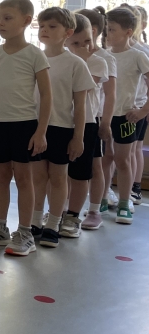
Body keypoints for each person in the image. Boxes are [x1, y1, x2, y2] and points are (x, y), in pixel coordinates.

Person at [0, 0, 51, 257]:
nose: (0, 23)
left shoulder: (35, 55)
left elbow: (47, 96)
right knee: (1, 177)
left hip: (24, 125)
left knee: (24, 179)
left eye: (7, 18)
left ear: (26, 21)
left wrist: (41, 131)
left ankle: (25, 232)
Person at [30, 8, 94, 248]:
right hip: (36, 128)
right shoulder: (33, 58)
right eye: (41, 26)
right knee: (38, 178)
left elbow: (81, 106)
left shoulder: (75, 64)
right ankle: (34, 222)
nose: (44, 30)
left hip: (61, 128)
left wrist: (78, 137)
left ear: (67, 32)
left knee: (58, 179)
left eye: (52, 26)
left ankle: (53, 225)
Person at [66, 13, 109, 234]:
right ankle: (59, 211)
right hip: (62, 121)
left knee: (85, 170)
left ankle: (84, 213)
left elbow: (85, 85)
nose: (84, 47)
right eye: (76, 43)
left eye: (87, 41)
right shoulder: (61, 60)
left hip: (88, 122)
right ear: (65, 40)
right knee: (61, 172)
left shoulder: (98, 61)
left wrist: (81, 60)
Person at [107, 6, 149, 223]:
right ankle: (100, 201)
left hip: (125, 116)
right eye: (106, 29)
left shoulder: (138, 56)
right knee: (105, 160)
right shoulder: (105, 55)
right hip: (105, 116)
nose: (107, 34)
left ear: (128, 32)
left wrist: (143, 110)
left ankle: (125, 203)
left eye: (112, 29)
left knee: (122, 160)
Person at [82, 6, 119, 216]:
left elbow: (110, 94)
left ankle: (95, 210)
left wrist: (105, 123)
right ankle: (62, 211)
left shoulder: (105, 58)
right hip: (68, 119)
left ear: (92, 31)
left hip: (93, 118)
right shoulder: (69, 55)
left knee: (96, 165)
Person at [128, 4, 149, 205]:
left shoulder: (142, 51)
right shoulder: (114, 50)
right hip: (121, 107)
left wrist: (144, 109)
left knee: (135, 148)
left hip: (138, 106)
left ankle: (135, 187)